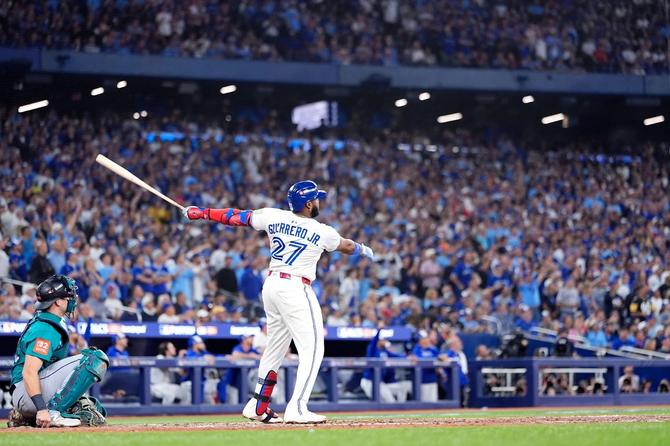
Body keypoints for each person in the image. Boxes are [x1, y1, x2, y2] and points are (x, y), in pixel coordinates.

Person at [183, 180, 374, 423]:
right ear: (308, 204)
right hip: (295, 286)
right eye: (316, 198)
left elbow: (235, 216)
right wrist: (362, 249)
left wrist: (202, 213)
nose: (318, 202)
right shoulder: (322, 230)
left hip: (272, 284)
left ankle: (257, 405)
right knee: (313, 349)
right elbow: (346, 246)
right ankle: (298, 407)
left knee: (275, 349)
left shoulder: (273, 216)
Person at [8, 275, 109, 428]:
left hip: (30, 391)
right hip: (26, 391)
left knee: (92, 408)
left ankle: (26, 417)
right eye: (68, 296)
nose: (72, 300)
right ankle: (53, 412)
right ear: (57, 302)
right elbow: (29, 372)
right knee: (94, 358)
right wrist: (42, 409)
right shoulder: (45, 328)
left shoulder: (49, 321)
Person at [360, 322, 411, 403]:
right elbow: (373, 342)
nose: (384, 341)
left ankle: (401, 411)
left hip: (380, 383)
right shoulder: (372, 349)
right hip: (369, 382)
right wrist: (379, 330)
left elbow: (396, 356)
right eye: (382, 340)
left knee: (400, 391)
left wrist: (408, 357)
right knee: (383, 401)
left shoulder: (384, 351)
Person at [219, 334, 261, 404]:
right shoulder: (238, 348)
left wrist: (253, 356)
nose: (252, 339)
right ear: (244, 340)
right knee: (233, 404)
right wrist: (250, 356)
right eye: (250, 337)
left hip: (244, 382)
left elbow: (261, 357)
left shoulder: (252, 350)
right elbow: (235, 354)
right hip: (231, 382)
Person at [410, 330, 440, 402]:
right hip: (422, 381)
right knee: (424, 402)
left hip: (432, 379)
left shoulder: (433, 349)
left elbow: (439, 358)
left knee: (433, 401)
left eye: (426, 338)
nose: (426, 340)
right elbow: (415, 359)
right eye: (423, 339)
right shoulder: (417, 349)